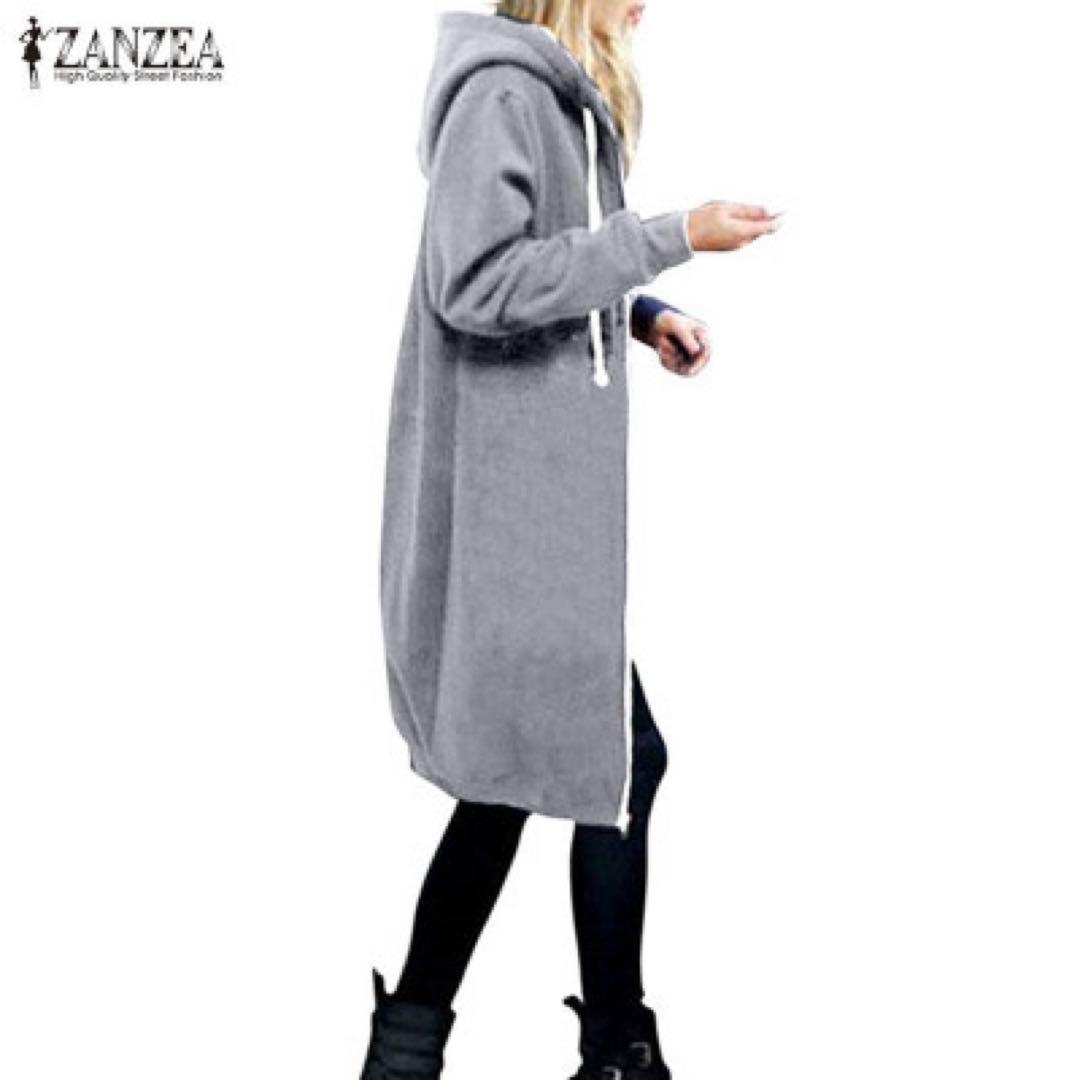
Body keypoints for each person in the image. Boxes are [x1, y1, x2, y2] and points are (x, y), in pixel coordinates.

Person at [362, 2, 780, 1077]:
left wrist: (638, 314)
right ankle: (614, 1048)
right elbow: (475, 281)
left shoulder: (557, 100)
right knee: (616, 759)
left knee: (515, 779)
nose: (647, 5)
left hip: (544, 514)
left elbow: (544, 258)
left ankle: (412, 1047)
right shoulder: (502, 94)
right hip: (511, 520)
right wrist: (672, 235)